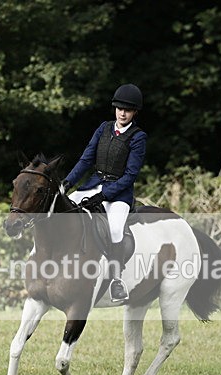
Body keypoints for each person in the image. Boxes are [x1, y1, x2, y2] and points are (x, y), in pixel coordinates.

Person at [62, 83, 147, 303]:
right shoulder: (104, 128)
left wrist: (105, 195)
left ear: (134, 112)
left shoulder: (138, 137)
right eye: (119, 108)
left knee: (116, 229)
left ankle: (116, 279)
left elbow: (130, 175)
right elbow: (86, 159)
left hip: (119, 194)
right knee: (63, 211)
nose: (122, 112)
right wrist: (67, 183)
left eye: (127, 110)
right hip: (92, 185)